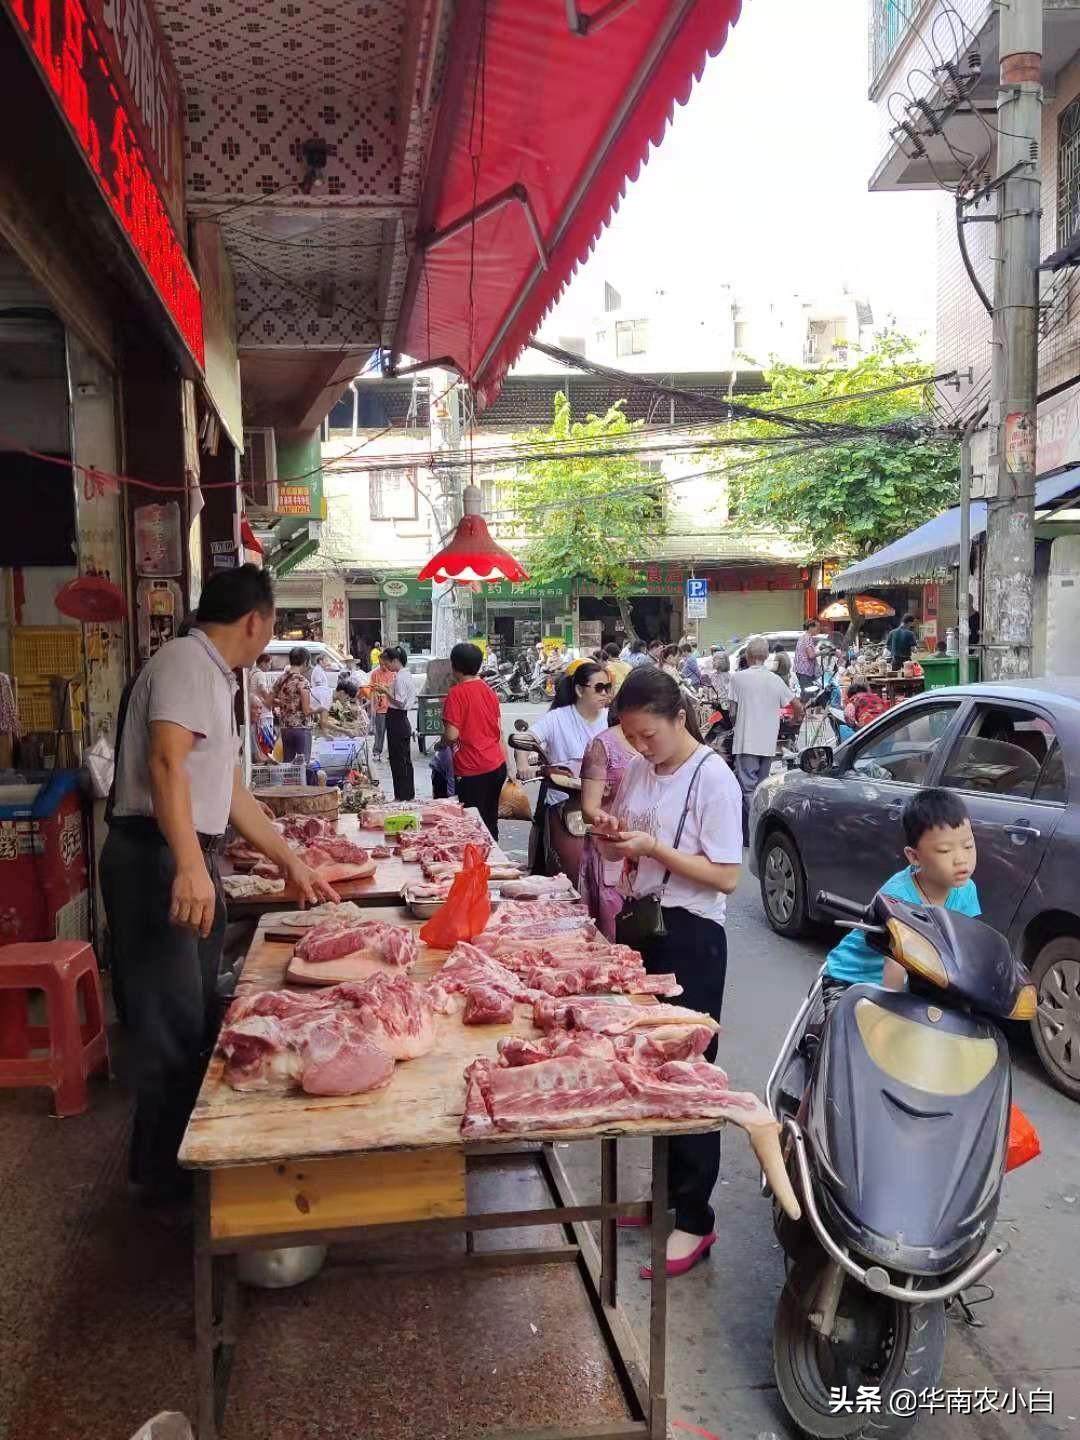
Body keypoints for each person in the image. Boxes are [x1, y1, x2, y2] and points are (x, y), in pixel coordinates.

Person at [102, 566, 337, 1203]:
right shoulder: (185, 661)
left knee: (196, 1008)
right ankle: (163, 1185)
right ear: (256, 621)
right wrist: (186, 865)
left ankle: (188, 1169)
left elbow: (228, 792)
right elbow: (165, 762)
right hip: (156, 855)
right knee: (167, 1020)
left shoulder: (214, 674)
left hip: (182, 854)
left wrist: (291, 861)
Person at [589, 668, 742, 1278]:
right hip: (646, 925)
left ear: (679, 717)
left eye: (648, 735)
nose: (642, 747)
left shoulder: (715, 779)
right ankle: (669, 1197)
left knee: (692, 1076)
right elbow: (622, 846)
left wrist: (653, 849)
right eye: (632, 739)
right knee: (654, 1073)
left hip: (694, 936)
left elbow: (727, 875)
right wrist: (611, 838)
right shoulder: (642, 773)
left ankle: (697, 1218)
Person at [820, 788, 979, 1017]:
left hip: (915, 982)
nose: (961, 859)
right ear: (914, 856)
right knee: (855, 1044)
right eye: (945, 850)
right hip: (853, 980)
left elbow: (967, 945)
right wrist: (888, 1019)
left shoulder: (967, 890)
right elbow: (894, 966)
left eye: (968, 845)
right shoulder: (898, 896)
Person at [525, 661, 611, 878]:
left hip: (606, 802)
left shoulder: (613, 719)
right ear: (579, 690)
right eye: (599, 688)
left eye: (608, 688)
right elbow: (528, 739)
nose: (605, 694)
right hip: (564, 799)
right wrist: (523, 763)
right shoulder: (557, 718)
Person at [730, 635, 803, 845]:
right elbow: (797, 707)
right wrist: (795, 722)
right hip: (768, 743)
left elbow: (732, 712)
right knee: (761, 787)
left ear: (748, 656)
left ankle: (756, 829)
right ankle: (761, 830)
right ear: (766, 656)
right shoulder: (775, 680)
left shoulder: (738, 678)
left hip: (745, 741)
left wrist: (738, 722)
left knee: (748, 790)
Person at [579, 696, 636, 939]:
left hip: (648, 852)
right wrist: (610, 823)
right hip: (612, 849)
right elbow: (589, 808)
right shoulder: (603, 745)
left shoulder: (665, 743)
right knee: (614, 938)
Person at [439, 641, 507, 839]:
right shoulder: (488, 690)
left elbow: (452, 735)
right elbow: (498, 729)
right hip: (496, 764)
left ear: (454, 667)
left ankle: (478, 865)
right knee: (490, 819)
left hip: (472, 767)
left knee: (473, 823)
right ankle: (494, 862)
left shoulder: (456, 693)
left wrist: (442, 742)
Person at [382, 646, 417, 800]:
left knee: (399, 760)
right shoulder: (402, 675)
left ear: (395, 660)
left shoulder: (401, 677)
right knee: (401, 759)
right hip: (398, 719)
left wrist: (386, 692)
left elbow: (401, 702)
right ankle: (405, 794)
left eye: (387, 663)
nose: (386, 667)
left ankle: (403, 795)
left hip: (398, 718)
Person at [275, 646, 316, 763]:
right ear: (305, 662)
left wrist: (284, 704)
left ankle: (289, 782)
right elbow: (306, 710)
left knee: (288, 767)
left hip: (285, 728)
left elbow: (270, 700)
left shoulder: (281, 679)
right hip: (301, 729)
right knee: (301, 767)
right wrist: (320, 709)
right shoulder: (303, 681)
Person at [368, 649, 394, 760]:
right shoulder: (375, 674)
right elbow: (372, 691)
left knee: (392, 732)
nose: (383, 666)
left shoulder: (393, 673)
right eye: (380, 664)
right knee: (379, 731)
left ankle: (391, 753)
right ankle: (377, 751)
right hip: (380, 708)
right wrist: (372, 707)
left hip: (392, 707)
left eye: (384, 664)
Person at [794, 618, 821, 695]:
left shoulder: (802, 637)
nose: (819, 630)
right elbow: (811, 655)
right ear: (811, 627)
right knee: (807, 694)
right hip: (805, 671)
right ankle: (804, 706)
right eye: (817, 627)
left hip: (800, 670)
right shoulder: (808, 638)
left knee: (805, 692)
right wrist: (821, 652)